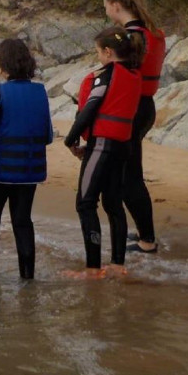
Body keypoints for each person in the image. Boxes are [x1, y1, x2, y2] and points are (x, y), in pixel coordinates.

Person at [64, 28, 141, 278]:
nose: (98, 57)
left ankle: (93, 269)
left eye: (98, 52)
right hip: (122, 146)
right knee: (113, 204)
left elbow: (91, 107)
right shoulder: (132, 74)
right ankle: (118, 264)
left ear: (108, 52)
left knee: (85, 203)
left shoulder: (106, 75)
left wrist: (71, 137)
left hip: (102, 145)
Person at [0, 39, 53, 279]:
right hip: (28, 173)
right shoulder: (40, 92)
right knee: (22, 222)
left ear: (2, 66)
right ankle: (27, 278)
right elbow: (47, 135)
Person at [103, 0, 165, 254]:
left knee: (129, 177)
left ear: (116, 6)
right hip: (145, 106)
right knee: (131, 172)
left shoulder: (129, 38)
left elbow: (118, 76)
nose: (105, 10)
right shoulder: (151, 32)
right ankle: (143, 232)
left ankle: (148, 241)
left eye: (105, 4)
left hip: (132, 110)